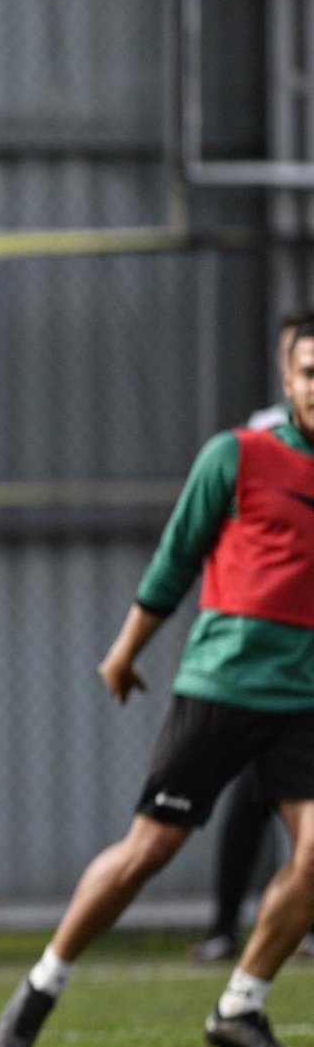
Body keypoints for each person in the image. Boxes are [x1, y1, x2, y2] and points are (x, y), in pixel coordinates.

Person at [0, 315, 314, 1047]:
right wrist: (124, 652)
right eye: (310, 370)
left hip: (305, 703)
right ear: (288, 377)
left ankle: (241, 1005)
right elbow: (175, 561)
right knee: (150, 850)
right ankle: (45, 979)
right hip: (223, 687)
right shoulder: (239, 455)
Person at [190, 308, 314, 963]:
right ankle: (222, 925)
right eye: (303, 362)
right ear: (286, 369)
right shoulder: (257, 441)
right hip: (261, 661)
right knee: (247, 799)